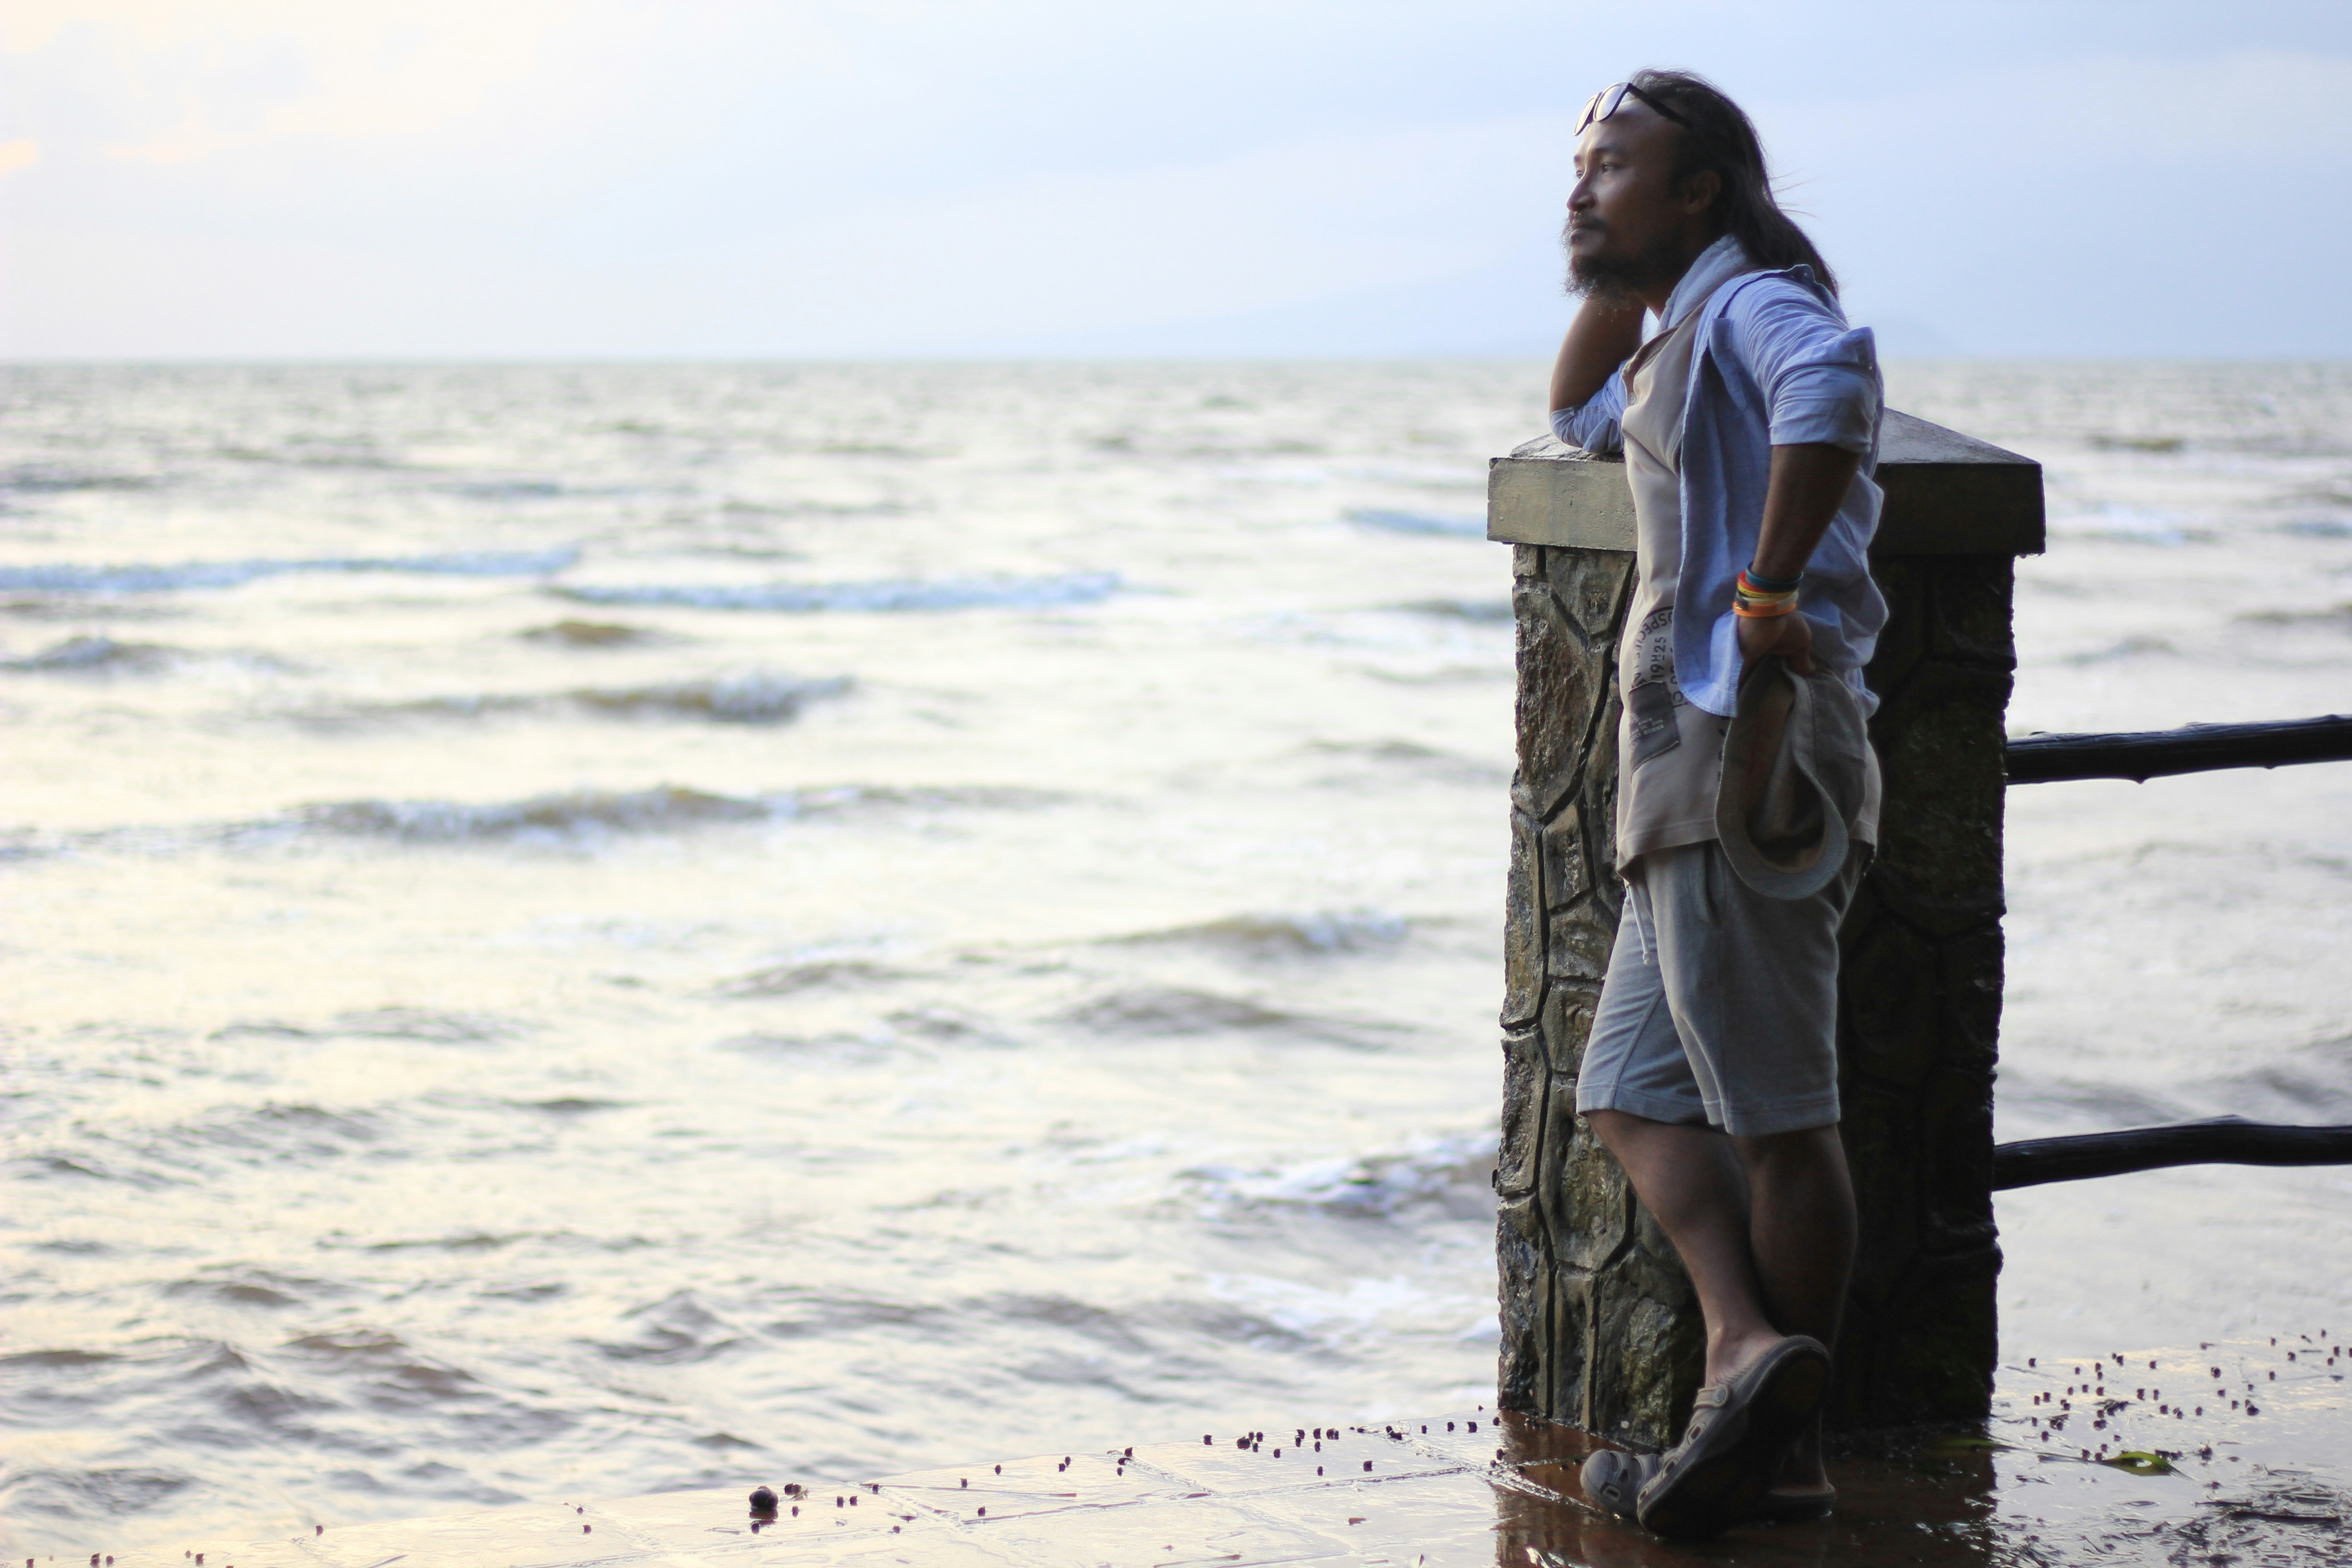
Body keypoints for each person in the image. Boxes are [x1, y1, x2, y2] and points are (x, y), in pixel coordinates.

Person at [1544, 70, 1887, 1539]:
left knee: (1781, 1119)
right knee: (1623, 1089)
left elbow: (1836, 386)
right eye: (1578, 167)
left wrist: (1764, 591)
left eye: (1614, 168)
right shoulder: (1683, 324)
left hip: (1748, 753)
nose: (1581, 189)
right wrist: (1623, 273)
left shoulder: (1752, 309)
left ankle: (1794, 1462)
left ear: (1700, 192)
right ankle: (1748, 1351)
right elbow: (1573, 418)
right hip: (1683, 764)